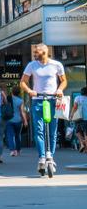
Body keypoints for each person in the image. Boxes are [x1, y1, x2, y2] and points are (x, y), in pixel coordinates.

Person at [21, 43, 68, 175]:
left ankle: (50, 157)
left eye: (37, 52)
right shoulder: (32, 65)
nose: (35, 54)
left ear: (45, 52)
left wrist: (59, 89)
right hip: (38, 101)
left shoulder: (56, 65)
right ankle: (42, 156)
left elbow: (64, 81)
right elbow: (23, 82)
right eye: (35, 52)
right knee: (39, 130)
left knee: (53, 130)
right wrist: (30, 91)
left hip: (53, 100)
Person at [5, 85, 28, 157]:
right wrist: (25, 121)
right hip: (18, 121)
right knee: (18, 135)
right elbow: (22, 112)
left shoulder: (8, 99)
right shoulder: (20, 101)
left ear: (12, 92)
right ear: (19, 93)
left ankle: (12, 150)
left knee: (10, 135)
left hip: (9, 120)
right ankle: (18, 150)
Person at [71, 87, 87, 153]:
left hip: (79, 117)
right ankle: (85, 148)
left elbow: (75, 107)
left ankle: (82, 143)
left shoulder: (78, 98)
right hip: (86, 118)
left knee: (77, 131)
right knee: (86, 133)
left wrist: (71, 115)